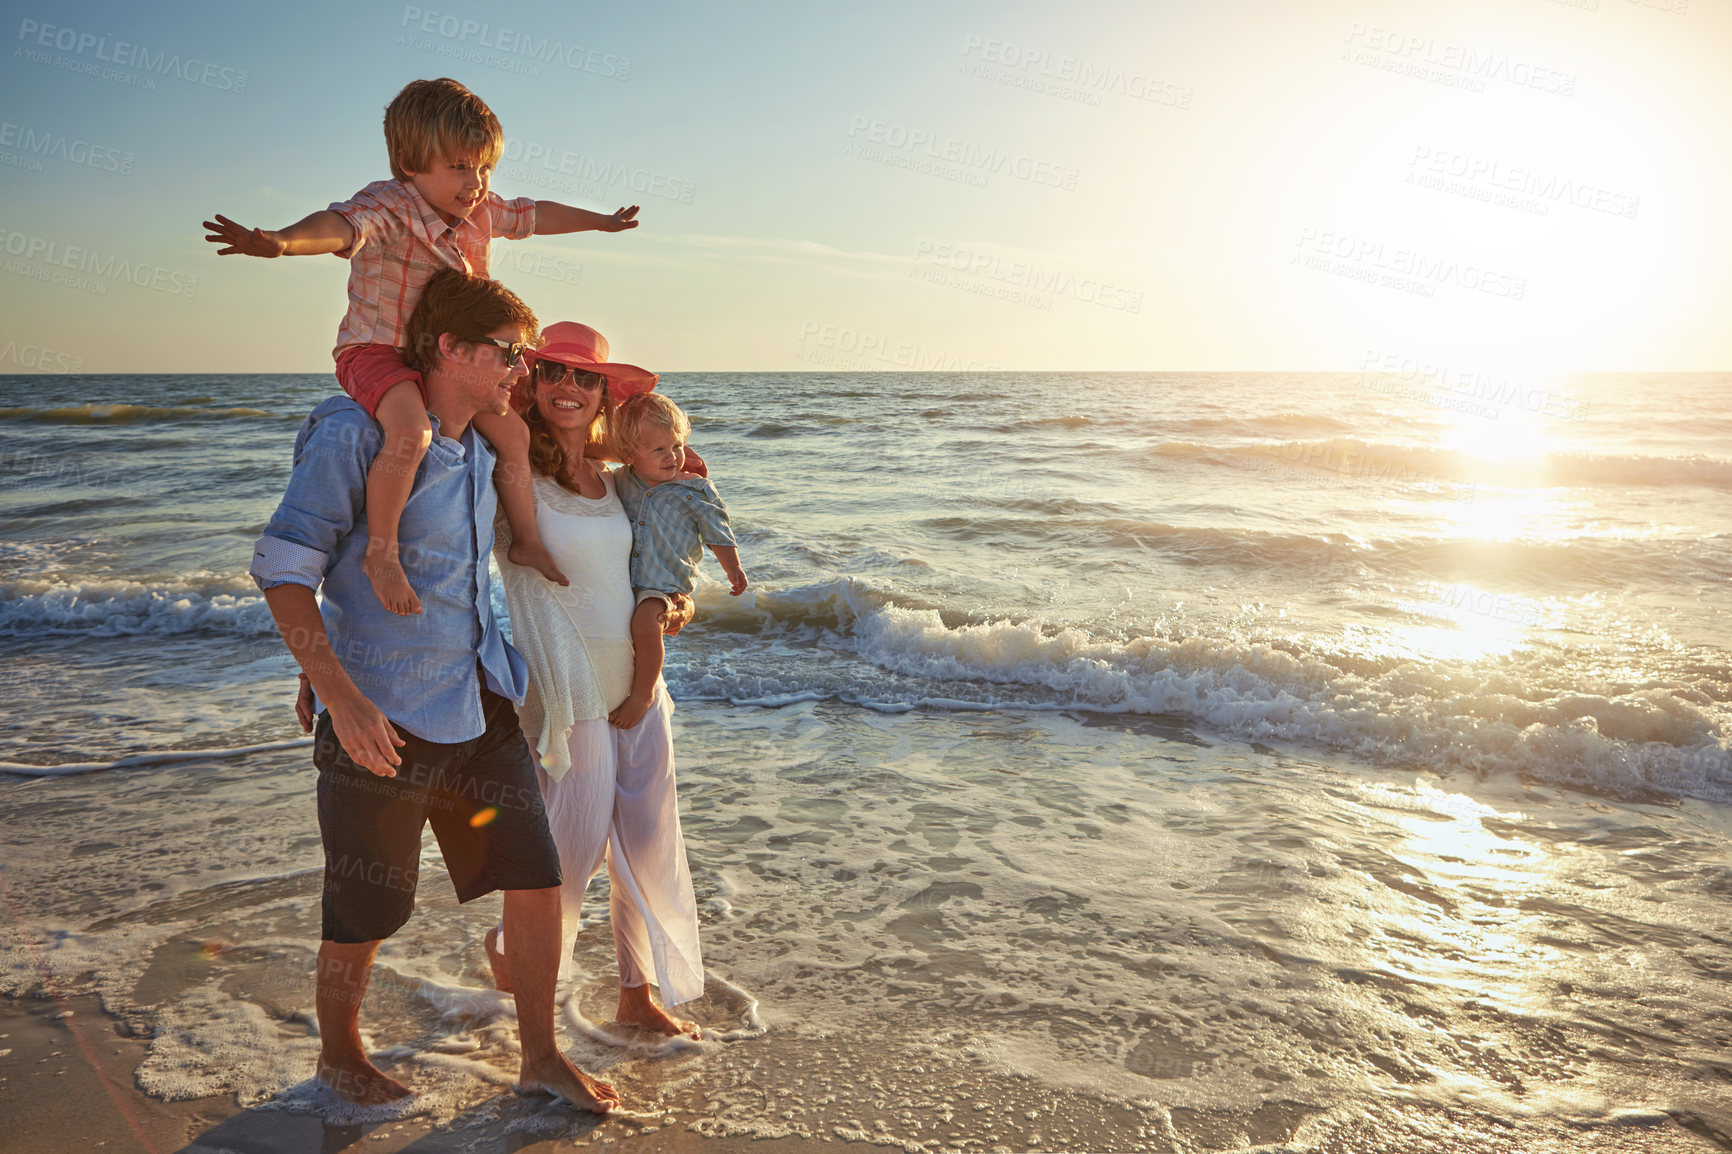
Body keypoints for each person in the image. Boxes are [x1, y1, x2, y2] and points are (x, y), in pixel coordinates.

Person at [251, 269, 618, 1112]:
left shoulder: (487, 445)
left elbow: (586, 441)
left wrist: (679, 483)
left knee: (534, 874)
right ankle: (340, 1058)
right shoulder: (352, 434)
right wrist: (335, 693)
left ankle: (539, 1058)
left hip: (478, 699)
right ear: (450, 349)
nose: (521, 374)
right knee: (365, 903)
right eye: (508, 356)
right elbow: (282, 569)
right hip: (378, 714)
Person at [209, 76, 637, 615]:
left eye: (484, 167)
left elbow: (537, 215)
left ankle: (526, 541)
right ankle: (382, 554)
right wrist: (280, 243)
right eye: (459, 166)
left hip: (449, 358)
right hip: (379, 350)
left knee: (513, 431)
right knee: (411, 429)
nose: (476, 182)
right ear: (411, 163)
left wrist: (601, 222)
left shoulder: (480, 211)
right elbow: (340, 226)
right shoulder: (391, 205)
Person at [481, 320, 707, 1038]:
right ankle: (513, 958)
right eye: (553, 373)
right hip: (568, 687)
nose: (568, 387)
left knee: (645, 843)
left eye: (585, 377)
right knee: (570, 852)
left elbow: (656, 563)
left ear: (606, 393)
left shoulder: (620, 484)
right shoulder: (508, 471)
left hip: (638, 683)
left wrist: (679, 599)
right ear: (532, 383)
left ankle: (637, 995)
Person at [609, 392, 748, 731]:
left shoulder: (695, 490)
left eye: (677, 445)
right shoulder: (621, 480)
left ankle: (643, 695)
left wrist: (734, 570)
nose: (672, 456)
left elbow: (718, 531)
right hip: (625, 581)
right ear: (628, 455)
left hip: (664, 582)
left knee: (646, 623)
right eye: (658, 450)